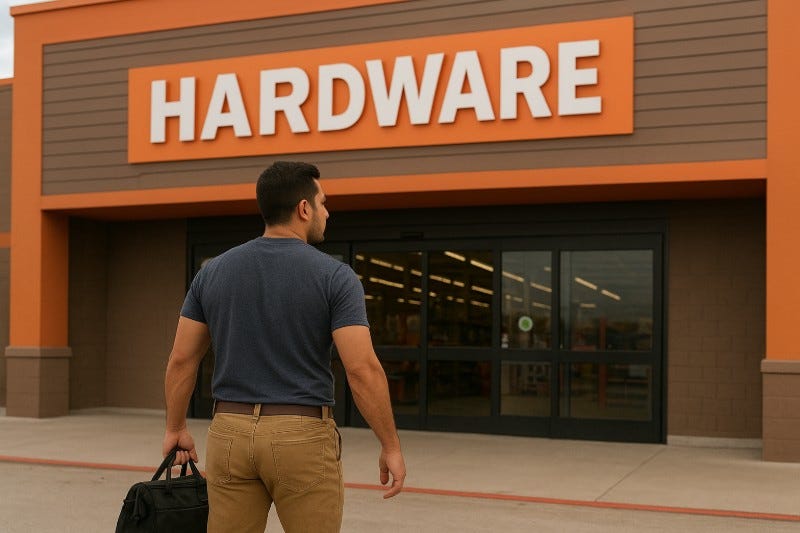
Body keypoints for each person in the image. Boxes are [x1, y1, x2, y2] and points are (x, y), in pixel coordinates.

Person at [162, 161, 406, 532]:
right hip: (302, 436)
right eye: (322, 203)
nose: (327, 211)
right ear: (303, 209)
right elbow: (361, 369)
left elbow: (182, 359)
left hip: (230, 432)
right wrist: (390, 445)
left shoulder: (213, 271)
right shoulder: (335, 276)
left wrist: (175, 426)